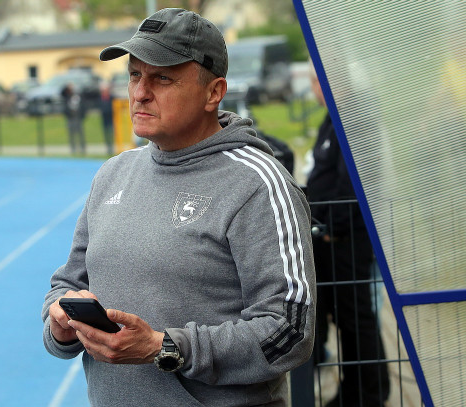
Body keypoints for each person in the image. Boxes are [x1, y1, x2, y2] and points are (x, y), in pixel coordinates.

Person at [42, 8, 316, 406]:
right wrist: (61, 323)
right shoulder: (113, 174)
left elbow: (289, 333)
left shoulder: (257, 184)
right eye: (134, 75)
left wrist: (164, 348)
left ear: (213, 93)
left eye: (162, 78)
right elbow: (68, 284)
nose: (139, 92)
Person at [307, 61, 390, 407]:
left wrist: (332, 228)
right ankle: (354, 389)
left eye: (314, 81)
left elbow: (353, 181)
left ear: (329, 81)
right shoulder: (333, 118)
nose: (312, 88)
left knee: (356, 318)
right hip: (331, 235)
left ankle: (370, 393)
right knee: (345, 317)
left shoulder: (354, 118)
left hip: (346, 238)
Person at [61, 83, 86, 154]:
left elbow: (83, 106)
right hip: (70, 117)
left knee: (80, 133)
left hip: (78, 117)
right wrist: (67, 87)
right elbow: (61, 93)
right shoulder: (67, 96)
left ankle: (82, 148)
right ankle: (73, 149)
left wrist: (82, 116)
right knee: (71, 134)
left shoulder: (78, 96)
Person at [98, 81, 114, 155]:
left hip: (111, 118)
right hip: (104, 119)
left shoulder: (111, 97)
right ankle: (108, 148)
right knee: (106, 134)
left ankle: (112, 147)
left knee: (111, 133)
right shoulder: (100, 98)